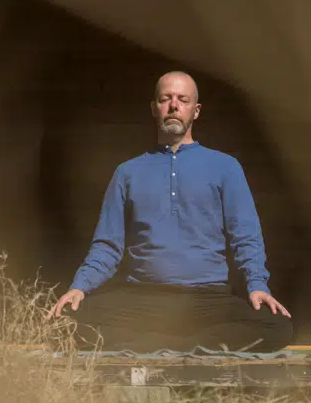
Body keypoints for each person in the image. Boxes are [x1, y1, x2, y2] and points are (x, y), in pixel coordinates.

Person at [47, 71, 294, 353]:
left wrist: (257, 285)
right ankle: (188, 347)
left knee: (277, 326)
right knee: (64, 323)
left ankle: (159, 346)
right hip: (143, 298)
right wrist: (79, 287)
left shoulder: (225, 167)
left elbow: (246, 237)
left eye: (183, 100)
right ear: (154, 108)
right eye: (166, 99)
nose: (174, 105)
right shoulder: (127, 172)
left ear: (196, 111)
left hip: (206, 299)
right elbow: (107, 246)